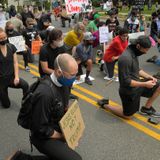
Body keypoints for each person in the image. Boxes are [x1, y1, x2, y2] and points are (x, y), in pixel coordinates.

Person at [7, 54, 82, 160]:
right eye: (72, 75)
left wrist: (71, 126)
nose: (75, 77)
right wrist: (63, 136)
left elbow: (64, 105)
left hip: (54, 125)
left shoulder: (65, 83)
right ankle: (20, 158)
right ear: (59, 72)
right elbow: (40, 129)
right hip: (41, 135)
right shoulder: (45, 94)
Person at [99, 36, 160, 119]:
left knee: (158, 85)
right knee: (127, 115)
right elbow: (126, 82)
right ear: (138, 46)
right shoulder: (125, 58)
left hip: (138, 85)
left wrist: (149, 77)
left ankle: (146, 108)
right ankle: (105, 104)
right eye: (145, 50)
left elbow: (137, 69)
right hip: (129, 91)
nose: (146, 52)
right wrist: (145, 84)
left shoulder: (134, 53)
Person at [39, 29, 78, 100]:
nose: (61, 41)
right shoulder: (44, 50)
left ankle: (67, 94)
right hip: (48, 73)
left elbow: (66, 58)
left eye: (62, 38)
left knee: (69, 79)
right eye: (59, 39)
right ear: (53, 40)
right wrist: (59, 73)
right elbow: (45, 69)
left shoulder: (61, 47)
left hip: (58, 70)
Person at [0, 28, 29, 108]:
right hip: (1, 80)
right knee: (6, 105)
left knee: (25, 85)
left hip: (11, 77)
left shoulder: (11, 47)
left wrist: (16, 77)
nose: (3, 40)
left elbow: (15, 63)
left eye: (4, 37)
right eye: (1, 38)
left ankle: (26, 103)